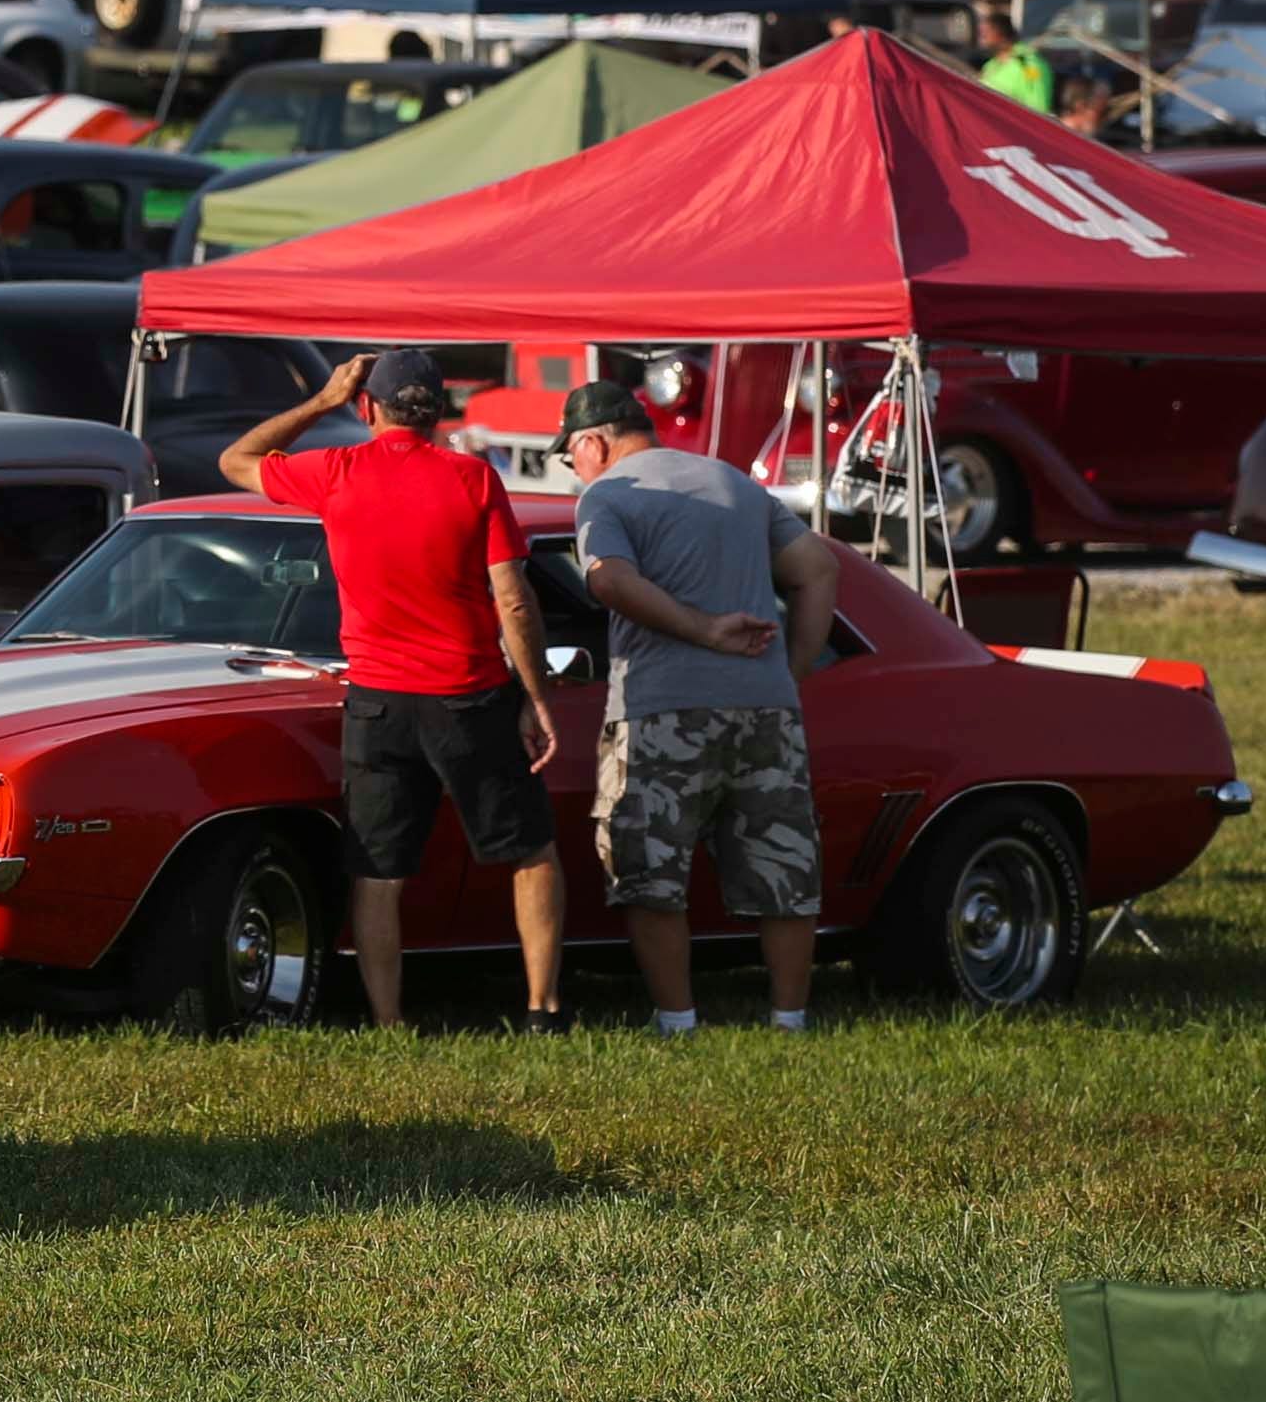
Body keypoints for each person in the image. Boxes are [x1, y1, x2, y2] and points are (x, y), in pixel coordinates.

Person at [224, 348, 570, 1032]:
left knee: (378, 870)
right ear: (438, 411)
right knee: (530, 851)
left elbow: (237, 459)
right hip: (468, 694)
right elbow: (514, 598)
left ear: (367, 407)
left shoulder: (336, 471)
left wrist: (319, 400)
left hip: (377, 700)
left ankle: (387, 1020)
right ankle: (542, 1008)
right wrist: (536, 696)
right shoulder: (472, 477)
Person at [559, 381, 841, 1036]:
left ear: (592, 442)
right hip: (764, 706)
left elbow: (606, 578)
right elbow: (818, 567)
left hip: (660, 710)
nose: (572, 469)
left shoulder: (604, 495)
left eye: (568, 455)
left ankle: (677, 1021)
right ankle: (789, 1018)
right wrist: (789, 672)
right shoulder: (733, 483)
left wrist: (701, 627)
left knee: (651, 872)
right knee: (783, 867)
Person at [977, 1, 1057, 113]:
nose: (982, 38)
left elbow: (1039, 106)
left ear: (1001, 33)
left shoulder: (1029, 64)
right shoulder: (990, 66)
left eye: (986, 33)